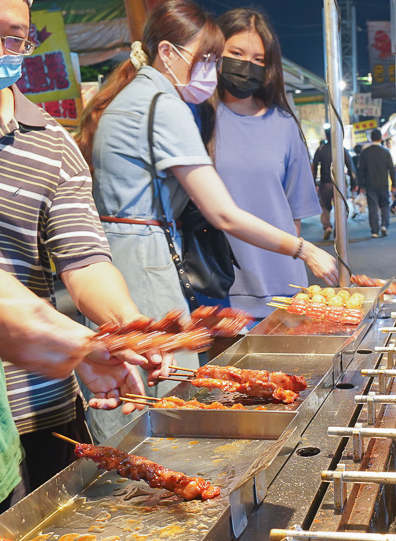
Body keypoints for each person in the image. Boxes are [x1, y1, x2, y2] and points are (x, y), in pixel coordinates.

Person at [77, 0, 336, 440]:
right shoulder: (164, 102)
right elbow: (221, 212)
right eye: (212, 58)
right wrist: (303, 247)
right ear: (168, 52)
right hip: (141, 262)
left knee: (142, 384)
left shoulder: (140, 95)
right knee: (162, 395)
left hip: (128, 254)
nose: (215, 72)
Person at [0, 0, 163, 490]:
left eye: (15, 37)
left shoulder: (50, 144)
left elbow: (80, 260)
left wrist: (114, 330)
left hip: (31, 403)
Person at [195, 8, 321, 319]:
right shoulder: (197, 119)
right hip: (220, 290)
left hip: (284, 286)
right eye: (236, 53)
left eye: (258, 60)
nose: (246, 66)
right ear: (215, 53)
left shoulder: (284, 124)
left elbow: (293, 213)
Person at [312, 127, 356, 240]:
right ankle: (338, 231)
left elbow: (314, 167)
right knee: (340, 207)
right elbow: (351, 167)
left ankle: (327, 227)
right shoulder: (341, 149)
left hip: (325, 183)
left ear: (326, 136)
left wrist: (313, 183)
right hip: (340, 184)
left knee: (324, 206)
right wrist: (355, 182)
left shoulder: (321, 149)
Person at [356, 128, 396, 238]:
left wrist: (361, 185)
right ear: (381, 138)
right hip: (383, 183)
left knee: (373, 207)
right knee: (385, 205)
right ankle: (384, 225)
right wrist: (394, 184)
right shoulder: (385, 152)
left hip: (370, 184)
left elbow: (361, 170)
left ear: (371, 138)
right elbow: (391, 169)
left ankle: (375, 231)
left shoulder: (365, 153)